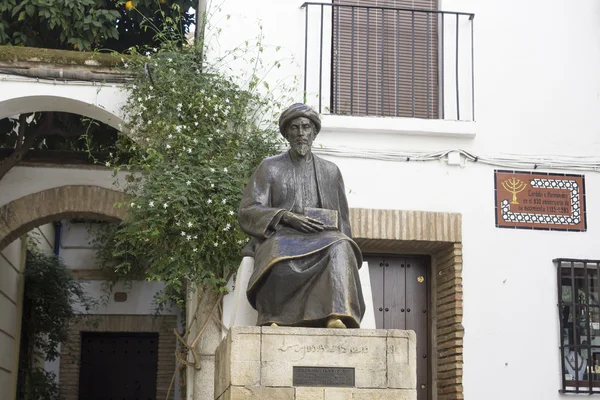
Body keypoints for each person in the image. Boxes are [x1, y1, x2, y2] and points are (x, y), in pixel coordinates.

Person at [238, 103, 365, 329]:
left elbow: (342, 219)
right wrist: (285, 216)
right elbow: (248, 210)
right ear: (287, 133)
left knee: (341, 246)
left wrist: (350, 253)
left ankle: (336, 315)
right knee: (276, 252)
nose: (300, 133)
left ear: (314, 133)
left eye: (306, 128)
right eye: (295, 128)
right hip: (281, 234)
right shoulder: (269, 167)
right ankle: (274, 317)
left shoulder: (330, 171)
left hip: (322, 235)